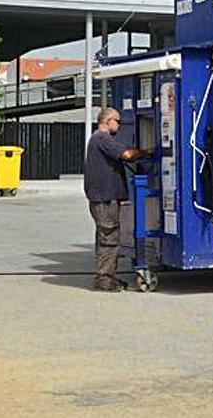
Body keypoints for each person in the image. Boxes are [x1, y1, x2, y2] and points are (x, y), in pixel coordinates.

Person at [84, 107, 148, 292]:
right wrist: (146, 152)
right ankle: (104, 280)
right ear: (108, 121)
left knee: (105, 236)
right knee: (109, 238)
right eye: (117, 121)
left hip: (103, 197)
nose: (119, 125)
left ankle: (106, 277)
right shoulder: (102, 138)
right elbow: (126, 155)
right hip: (105, 198)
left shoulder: (97, 139)